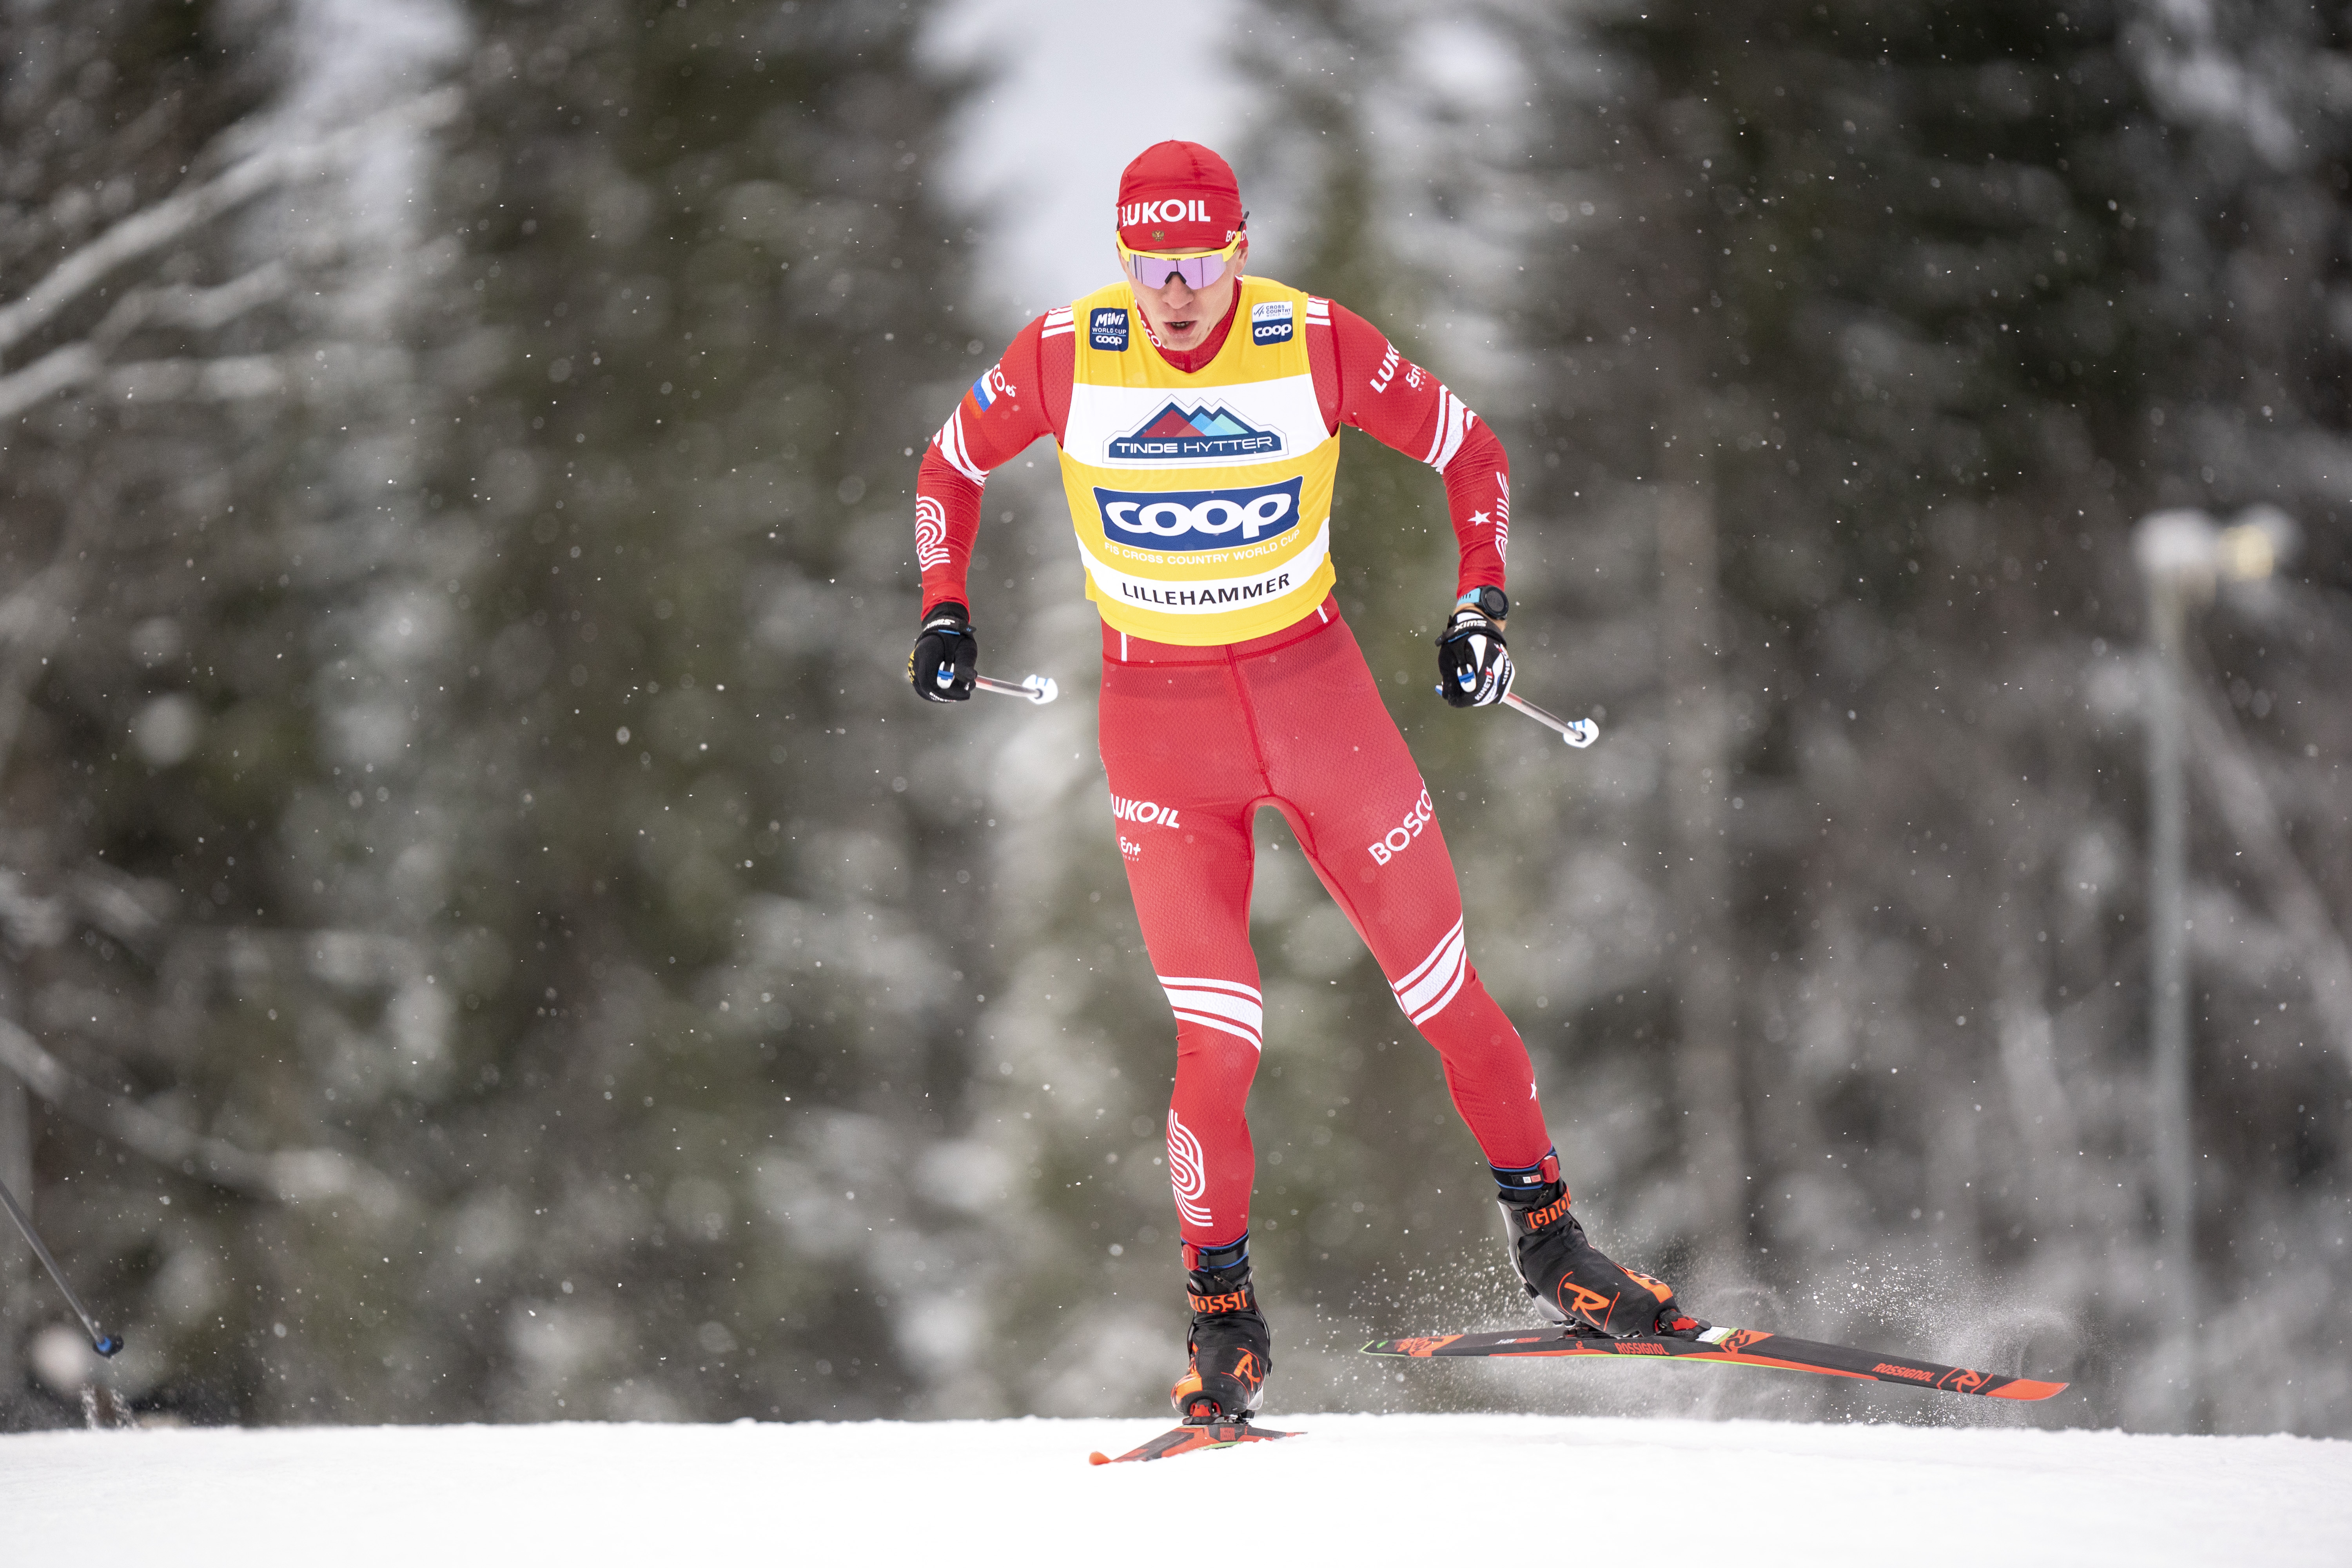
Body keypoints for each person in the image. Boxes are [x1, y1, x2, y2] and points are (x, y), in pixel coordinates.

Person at [907, 141, 1703, 1424]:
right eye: (1148, 264)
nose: (1173, 292)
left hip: (1314, 696)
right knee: (1219, 1043)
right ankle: (1222, 1314)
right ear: (1125, 261)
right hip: (1159, 732)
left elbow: (1473, 452)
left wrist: (1482, 607)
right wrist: (945, 611)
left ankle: (1556, 1247)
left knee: (1446, 990)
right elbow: (947, 464)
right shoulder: (1065, 350)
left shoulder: (1313, 341)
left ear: (1236, 249)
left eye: (1197, 261)